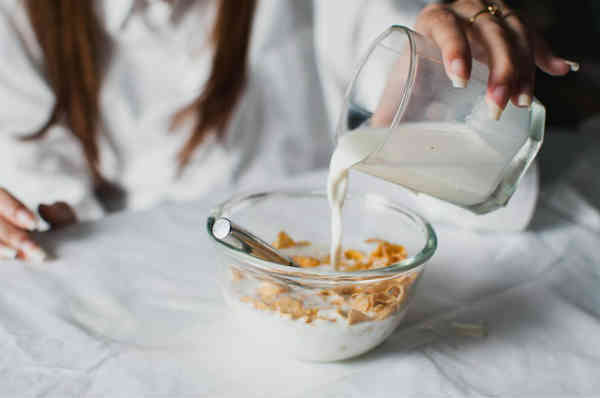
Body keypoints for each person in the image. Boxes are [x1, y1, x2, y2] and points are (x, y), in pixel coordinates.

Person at [0, 0, 578, 262]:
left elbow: (500, 205)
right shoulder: (18, 18)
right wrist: (26, 222)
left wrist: (462, 78)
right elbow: (54, 220)